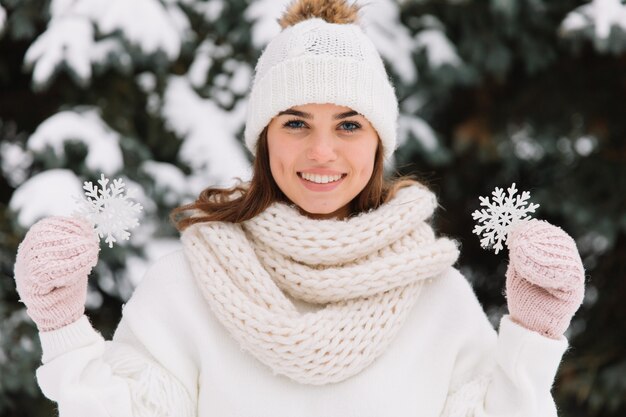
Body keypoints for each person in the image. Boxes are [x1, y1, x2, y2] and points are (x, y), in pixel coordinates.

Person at [13, 0, 586, 416]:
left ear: (378, 142)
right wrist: (63, 325)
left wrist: (532, 336)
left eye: (348, 124)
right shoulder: (188, 285)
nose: (321, 151)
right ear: (264, 139)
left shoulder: (436, 298)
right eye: (295, 123)